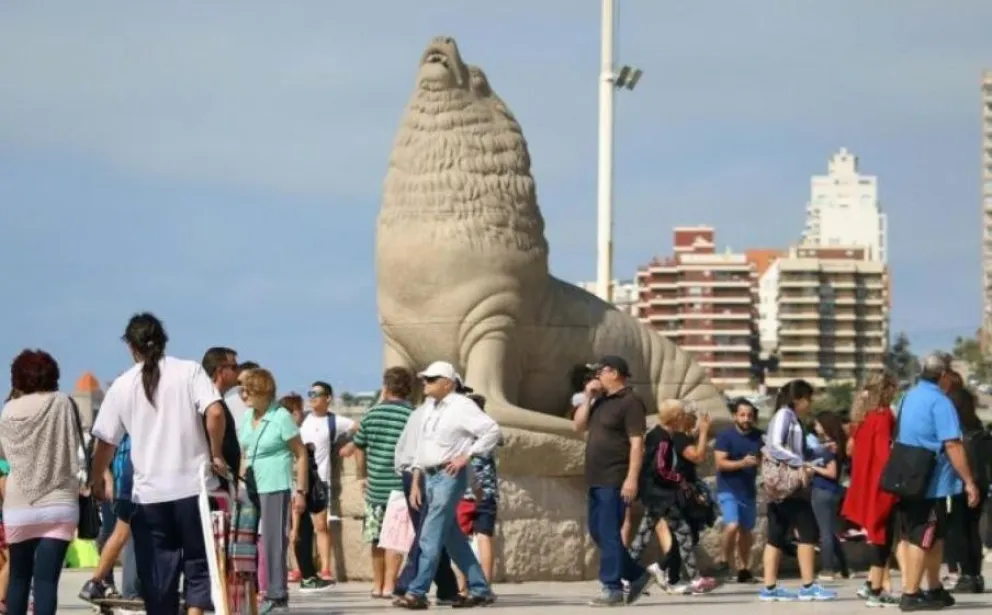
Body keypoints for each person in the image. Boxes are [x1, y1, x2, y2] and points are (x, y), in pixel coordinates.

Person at [90, 313, 228, 615]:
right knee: (198, 565)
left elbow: (105, 441)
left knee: (157, 575)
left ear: (131, 347)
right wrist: (215, 453)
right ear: (163, 340)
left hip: (149, 495)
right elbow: (215, 413)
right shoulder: (189, 371)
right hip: (194, 489)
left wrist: (97, 477)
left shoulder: (122, 385)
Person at [392, 361, 499, 610]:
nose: (425, 383)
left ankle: (417, 591)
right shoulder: (431, 407)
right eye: (425, 379)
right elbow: (423, 446)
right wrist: (417, 478)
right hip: (429, 476)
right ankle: (480, 588)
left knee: (429, 535)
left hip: (448, 477)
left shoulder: (462, 406)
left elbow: (491, 430)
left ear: (448, 383)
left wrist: (467, 455)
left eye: (431, 379)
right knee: (453, 539)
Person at [892, 353, 979, 610]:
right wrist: (969, 481)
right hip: (932, 483)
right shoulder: (940, 402)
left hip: (907, 477)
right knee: (924, 536)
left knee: (923, 536)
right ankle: (910, 593)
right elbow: (952, 444)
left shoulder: (908, 397)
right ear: (944, 375)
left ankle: (934, 587)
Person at [0, 350, 84, 615]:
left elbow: (5, 455)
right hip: (59, 503)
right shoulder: (62, 402)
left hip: (19, 504)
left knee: (18, 578)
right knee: (47, 581)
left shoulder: (9, 409)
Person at [572, 355, 650, 606]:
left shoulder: (631, 403)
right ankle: (637, 575)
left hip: (615, 477)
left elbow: (637, 443)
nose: (597, 377)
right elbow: (578, 426)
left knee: (608, 532)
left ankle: (612, 587)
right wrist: (588, 397)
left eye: (600, 372)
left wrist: (631, 479)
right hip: (595, 477)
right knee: (598, 532)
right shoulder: (601, 401)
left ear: (615, 373)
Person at [237, 368, 309, 614]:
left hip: (274, 483)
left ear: (263, 392)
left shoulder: (281, 417)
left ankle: (277, 593)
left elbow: (300, 453)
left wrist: (301, 490)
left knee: (273, 539)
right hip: (250, 483)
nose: (243, 395)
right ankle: (248, 591)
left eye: (248, 390)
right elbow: (245, 451)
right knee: (245, 539)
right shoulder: (248, 417)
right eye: (242, 389)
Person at [758, 379, 836, 602]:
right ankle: (808, 585)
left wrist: (818, 451)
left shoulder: (790, 418)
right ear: (798, 399)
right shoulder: (785, 415)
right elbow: (775, 446)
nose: (810, 404)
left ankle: (770, 588)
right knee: (808, 532)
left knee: (776, 535)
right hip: (790, 485)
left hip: (781, 487)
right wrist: (800, 463)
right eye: (808, 399)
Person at [351, 367, 416, 598]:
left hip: (375, 487)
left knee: (376, 538)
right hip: (401, 487)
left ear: (386, 387)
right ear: (408, 389)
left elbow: (359, 445)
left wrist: (362, 475)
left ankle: (377, 585)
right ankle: (390, 585)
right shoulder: (413, 416)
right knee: (395, 539)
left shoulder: (371, 414)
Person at [841, 371, 901, 606]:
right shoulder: (884, 416)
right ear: (887, 389)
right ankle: (875, 589)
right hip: (881, 484)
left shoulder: (862, 418)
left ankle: (871, 584)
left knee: (875, 534)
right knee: (882, 537)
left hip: (864, 483)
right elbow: (883, 453)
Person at [299, 380, 354, 582]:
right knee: (298, 526)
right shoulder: (302, 420)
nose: (312, 397)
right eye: (310, 393)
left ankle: (325, 568)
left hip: (320, 480)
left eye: (316, 394)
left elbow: (361, 427)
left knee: (321, 526)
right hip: (299, 479)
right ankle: (300, 568)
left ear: (328, 398)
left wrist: (352, 445)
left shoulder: (334, 421)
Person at [78, 433, 141, 603]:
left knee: (121, 533)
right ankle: (127, 590)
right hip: (126, 482)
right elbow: (101, 444)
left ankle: (97, 582)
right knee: (122, 534)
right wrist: (105, 479)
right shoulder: (121, 410)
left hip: (126, 481)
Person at [944, 378, 989, 594]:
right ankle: (975, 575)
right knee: (974, 531)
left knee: (958, 531)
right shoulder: (979, 430)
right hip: (981, 483)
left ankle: (965, 575)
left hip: (960, 483)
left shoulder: (956, 432)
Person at [713, 397, 763, 583]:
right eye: (742, 415)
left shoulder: (760, 436)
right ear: (735, 416)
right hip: (728, 489)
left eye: (749, 415)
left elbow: (767, 457)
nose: (746, 418)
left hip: (748, 490)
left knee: (746, 530)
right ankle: (723, 559)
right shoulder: (725, 437)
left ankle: (743, 569)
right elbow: (720, 464)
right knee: (732, 524)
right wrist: (742, 463)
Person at [808, 411, 850, 581]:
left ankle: (827, 569)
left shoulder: (830, 448)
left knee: (824, 532)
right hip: (831, 492)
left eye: (818, 424)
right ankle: (843, 567)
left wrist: (812, 468)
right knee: (830, 531)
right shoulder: (832, 446)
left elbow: (831, 472)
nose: (815, 427)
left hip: (823, 491)